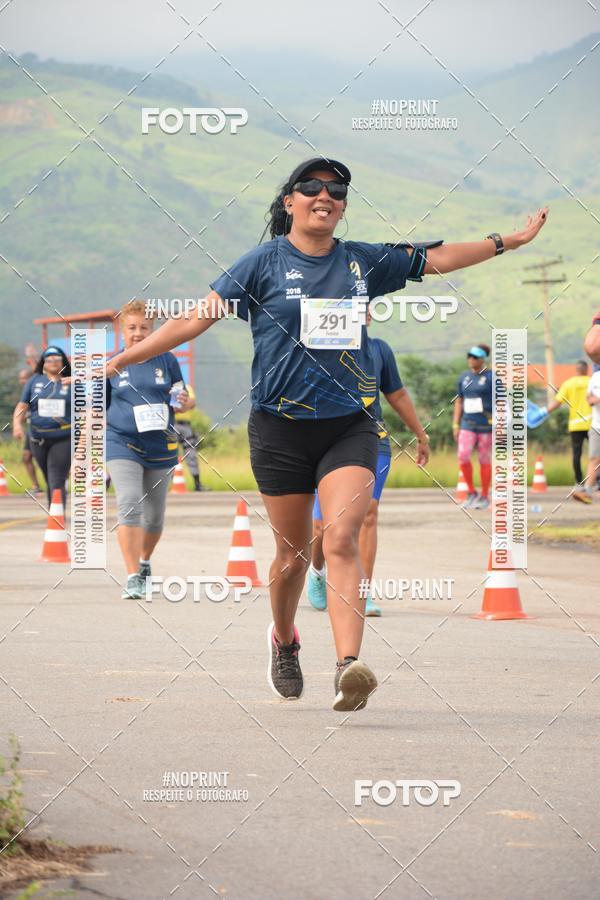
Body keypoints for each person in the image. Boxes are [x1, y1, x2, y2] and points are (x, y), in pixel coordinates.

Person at [106, 156, 548, 711]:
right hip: (279, 428)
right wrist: (122, 359)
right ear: (289, 201)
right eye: (310, 187)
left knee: (340, 537)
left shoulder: (363, 262)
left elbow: (438, 258)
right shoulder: (261, 264)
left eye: (336, 189)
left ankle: (348, 666)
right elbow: (194, 318)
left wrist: (509, 241)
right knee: (291, 557)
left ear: (342, 205)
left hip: (350, 425)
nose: (324, 195)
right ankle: (285, 641)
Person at [307, 313, 429, 616]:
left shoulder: (379, 350)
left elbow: (397, 394)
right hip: (325, 441)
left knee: (368, 515)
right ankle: (317, 573)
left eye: (363, 309)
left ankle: (362, 591)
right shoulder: (318, 347)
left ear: (369, 316)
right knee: (323, 525)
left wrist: (420, 434)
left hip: (374, 439)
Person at [106, 300, 194, 599]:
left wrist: (186, 402)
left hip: (160, 445)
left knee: (154, 517)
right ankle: (132, 575)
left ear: (153, 329)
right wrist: (82, 448)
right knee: (129, 502)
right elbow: (95, 407)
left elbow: (182, 395)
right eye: (131, 328)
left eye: (144, 327)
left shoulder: (167, 360)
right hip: (121, 442)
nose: (138, 333)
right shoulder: (114, 363)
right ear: (122, 331)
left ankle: (144, 562)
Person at [12, 347, 72, 507]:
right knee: (48, 478)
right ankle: (54, 510)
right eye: (49, 359)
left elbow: (84, 409)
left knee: (56, 477)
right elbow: (22, 405)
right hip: (37, 437)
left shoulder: (72, 381)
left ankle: (57, 516)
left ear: (63, 362)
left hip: (63, 437)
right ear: (43, 363)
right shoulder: (34, 381)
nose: (53, 362)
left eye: (57, 359)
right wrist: (17, 424)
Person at [452, 344, 494, 511]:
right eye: (469, 356)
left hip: (486, 425)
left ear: (483, 359)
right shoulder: (464, 377)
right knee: (463, 456)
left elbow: (500, 402)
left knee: (484, 459)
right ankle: (471, 493)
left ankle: (484, 496)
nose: (471, 359)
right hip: (467, 424)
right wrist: (455, 423)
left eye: (475, 357)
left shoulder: (492, 377)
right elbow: (458, 400)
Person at [544, 361, 592, 486]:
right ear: (587, 369)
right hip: (592, 424)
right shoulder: (592, 382)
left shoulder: (568, 384)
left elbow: (557, 402)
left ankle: (579, 481)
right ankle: (596, 481)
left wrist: (544, 412)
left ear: (576, 370)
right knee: (596, 454)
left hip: (575, 425)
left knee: (577, 454)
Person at [572, 367, 600, 504]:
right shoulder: (595, 377)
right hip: (595, 424)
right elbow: (589, 397)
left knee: (586, 456)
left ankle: (585, 487)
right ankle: (587, 491)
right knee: (594, 458)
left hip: (578, 425)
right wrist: (591, 399)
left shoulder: (570, 382)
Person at [17, 367, 43, 495]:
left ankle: (59, 485)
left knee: (46, 459)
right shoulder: (26, 392)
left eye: (24, 378)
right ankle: (36, 486)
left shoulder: (40, 389)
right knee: (26, 457)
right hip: (31, 429)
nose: (21, 381)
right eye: (20, 379)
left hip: (43, 429)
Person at [174, 382, 203, 491]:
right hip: (173, 424)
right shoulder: (185, 388)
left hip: (182, 425)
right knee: (169, 455)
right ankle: (197, 484)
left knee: (190, 453)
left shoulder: (186, 387)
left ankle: (197, 484)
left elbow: (192, 403)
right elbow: (190, 403)